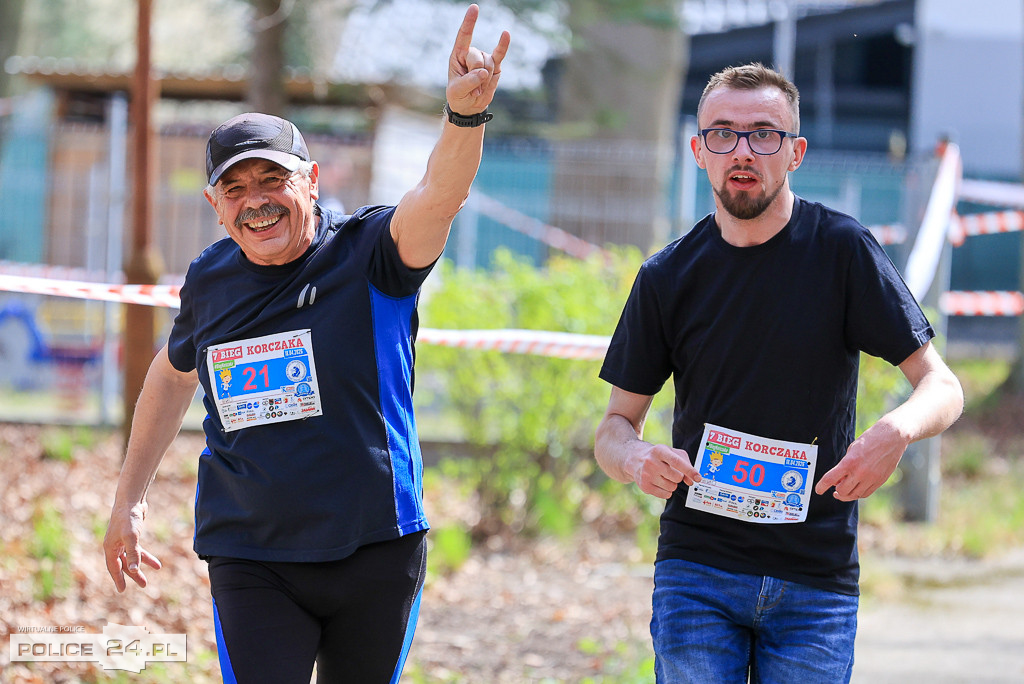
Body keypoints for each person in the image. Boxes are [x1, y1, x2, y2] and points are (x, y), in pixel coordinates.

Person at [102, 6, 509, 683]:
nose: (255, 202)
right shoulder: (210, 278)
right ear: (215, 205)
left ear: (312, 181)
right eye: (235, 190)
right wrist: (130, 500)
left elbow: (440, 197)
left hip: (376, 547)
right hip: (251, 554)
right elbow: (174, 376)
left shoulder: (372, 253)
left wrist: (463, 119)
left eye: (272, 181)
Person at [594, 62, 964, 683]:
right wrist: (633, 460)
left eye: (764, 133)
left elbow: (943, 386)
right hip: (697, 572)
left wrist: (895, 433)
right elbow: (613, 427)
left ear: (795, 153)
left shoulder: (842, 252)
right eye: (723, 133)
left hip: (814, 580)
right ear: (698, 150)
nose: (742, 150)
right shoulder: (667, 279)